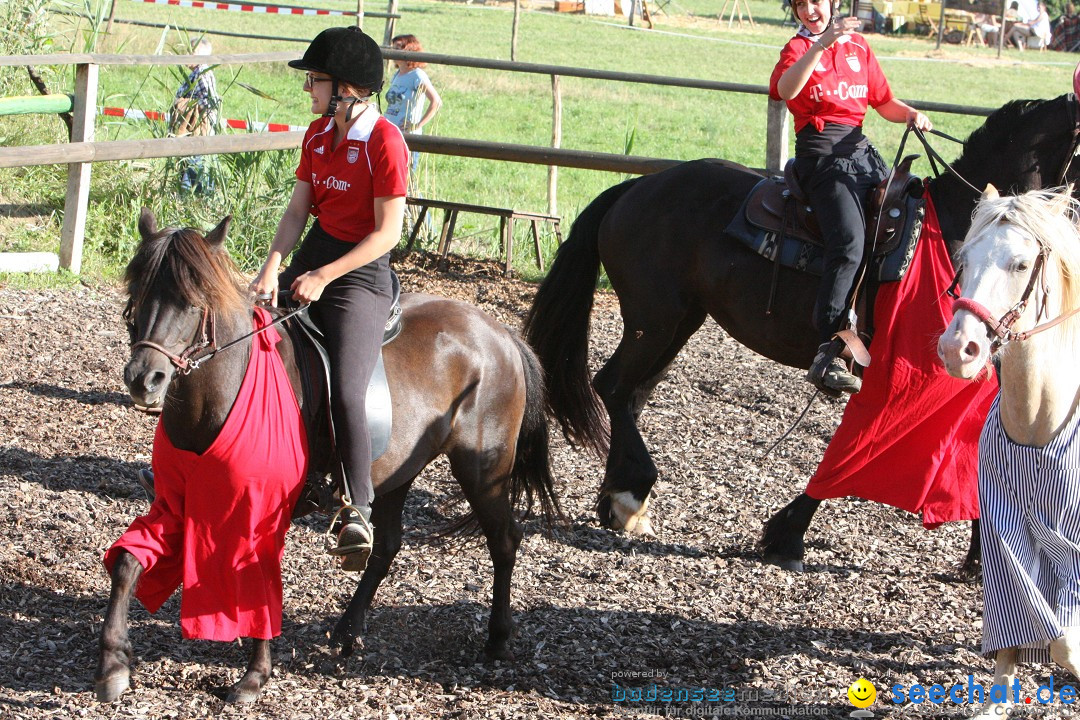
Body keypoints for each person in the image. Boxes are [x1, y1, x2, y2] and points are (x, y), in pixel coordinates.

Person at [250, 26, 409, 572]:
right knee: (254, 346)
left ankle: (357, 505)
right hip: (313, 256)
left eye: (314, 81)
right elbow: (298, 211)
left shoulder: (386, 142)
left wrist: (325, 276)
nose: (308, 90)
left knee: (346, 385)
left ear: (345, 88)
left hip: (361, 274)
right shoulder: (317, 136)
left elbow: (387, 233)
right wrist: (273, 265)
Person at [769, 0, 932, 396]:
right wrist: (821, 44)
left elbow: (883, 102)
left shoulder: (858, 47)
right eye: (800, 3)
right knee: (850, 244)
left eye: (816, 1)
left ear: (832, 3)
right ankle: (829, 348)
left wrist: (911, 113)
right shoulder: (798, 48)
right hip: (821, 157)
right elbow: (783, 89)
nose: (809, 9)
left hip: (861, 152)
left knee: (910, 220)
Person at [384, 34, 442, 174]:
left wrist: (417, 125)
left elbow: (436, 101)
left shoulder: (417, 75)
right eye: (393, 48)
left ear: (408, 50)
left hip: (408, 136)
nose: (393, 52)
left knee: (408, 180)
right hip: (391, 133)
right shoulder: (397, 74)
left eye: (397, 48)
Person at [172, 37, 220, 194]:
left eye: (189, 51)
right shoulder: (198, 73)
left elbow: (209, 102)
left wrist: (186, 105)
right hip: (194, 128)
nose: (185, 54)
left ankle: (194, 196)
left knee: (196, 162)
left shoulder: (202, 73)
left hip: (198, 129)